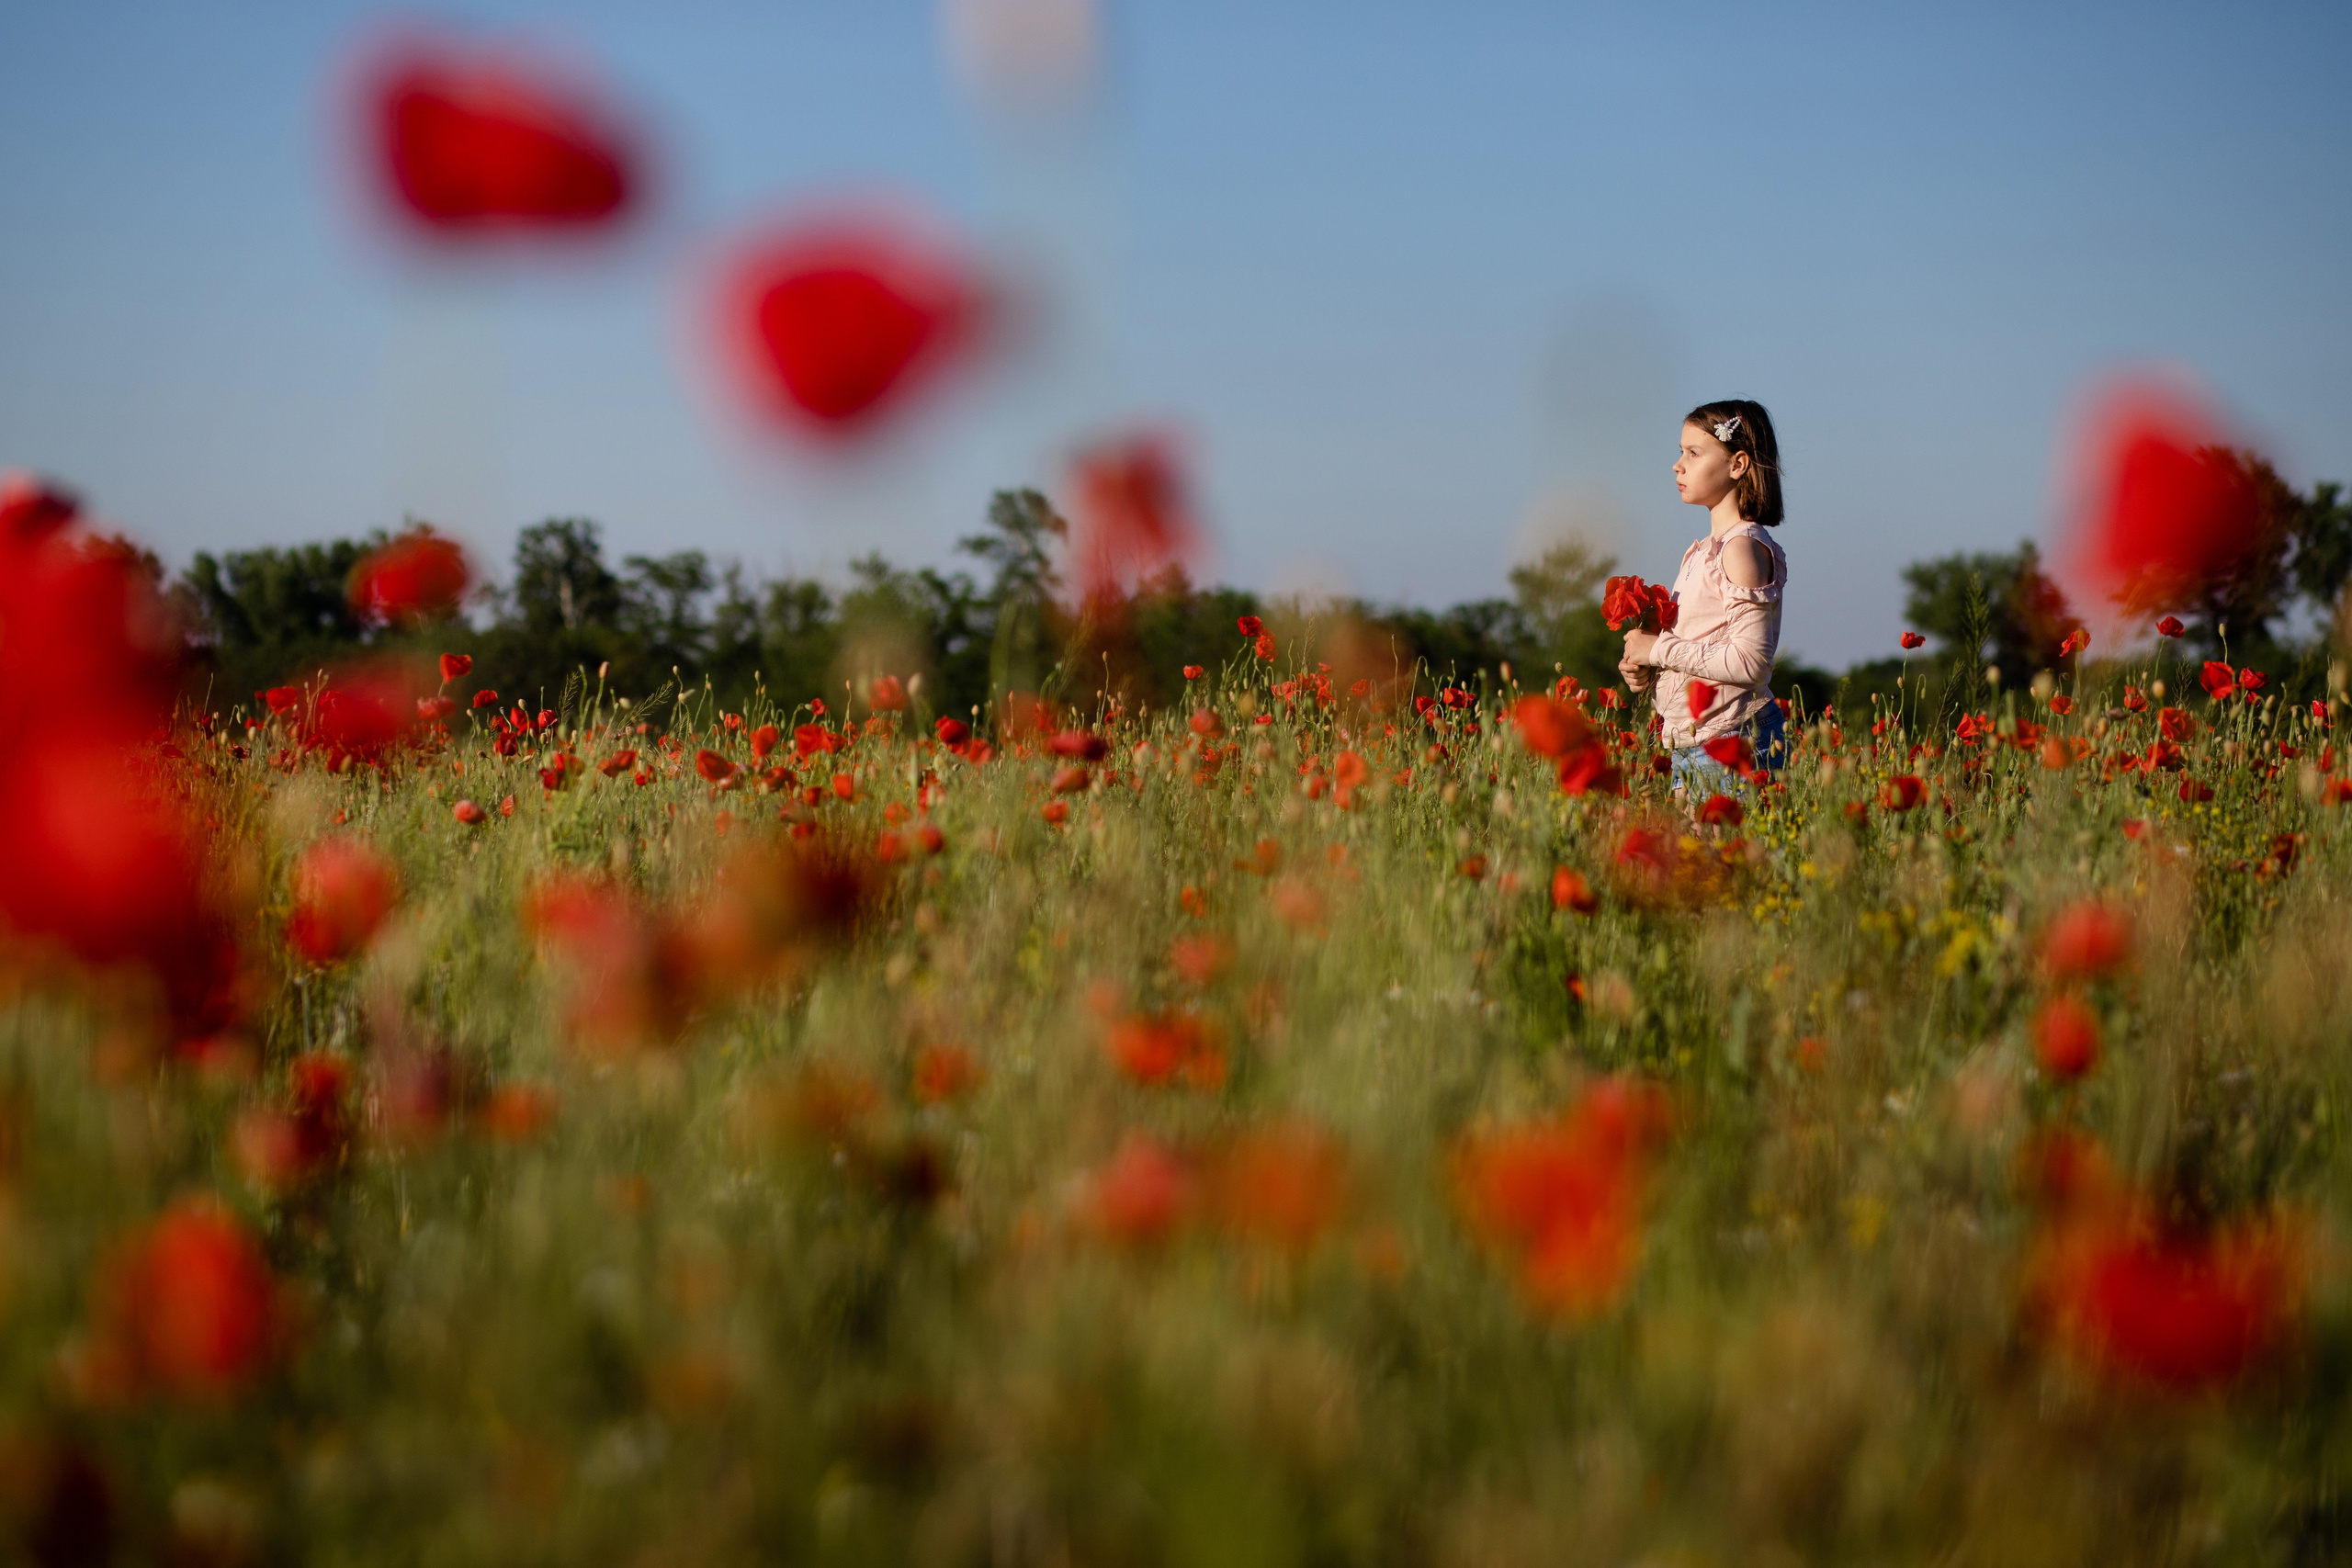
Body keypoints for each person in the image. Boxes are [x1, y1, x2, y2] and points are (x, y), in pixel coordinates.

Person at [1619, 400, 1789, 795]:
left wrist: (1660, 650)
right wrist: (1646, 667)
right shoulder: (1705, 550)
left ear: (1737, 464)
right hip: (1696, 744)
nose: (1678, 465)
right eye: (1681, 452)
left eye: (1693, 453)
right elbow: (1703, 646)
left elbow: (1752, 663)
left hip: (1733, 739)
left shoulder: (1741, 548)